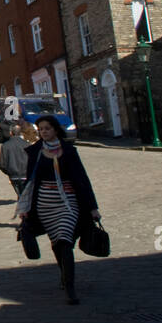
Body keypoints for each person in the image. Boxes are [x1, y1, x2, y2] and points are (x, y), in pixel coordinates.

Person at [17, 116, 102, 305]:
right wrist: (25, 208)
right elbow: (30, 182)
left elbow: (82, 179)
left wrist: (92, 207)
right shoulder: (36, 152)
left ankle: (70, 286)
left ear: (56, 130)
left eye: (47, 128)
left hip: (68, 202)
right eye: (41, 129)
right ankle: (64, 275)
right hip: (45, 205)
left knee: (65, 239)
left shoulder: (69, 151)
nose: (44, 132)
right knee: (57, 242)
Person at [0, 121, 35, 199]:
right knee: (24, 197)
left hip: (13, 175)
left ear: (11, 133)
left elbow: (2, 164)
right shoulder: (27, 144)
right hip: (25, 175)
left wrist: (9, 172)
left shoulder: (5, 146)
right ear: (20, 133)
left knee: (21, 196)